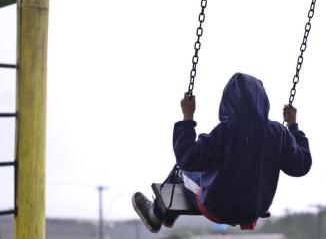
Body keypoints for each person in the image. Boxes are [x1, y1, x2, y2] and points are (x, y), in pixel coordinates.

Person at [132, 72, 311, 233]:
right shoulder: (278, 133)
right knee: (199, 172)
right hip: (254, 210)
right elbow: (301, 166)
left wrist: (188, 117)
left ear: (228, 102)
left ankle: (155, 215)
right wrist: (293, 127)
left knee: (183, 170)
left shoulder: (226, 132)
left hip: (218, 208)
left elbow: (188, 157)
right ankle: (168, 214)